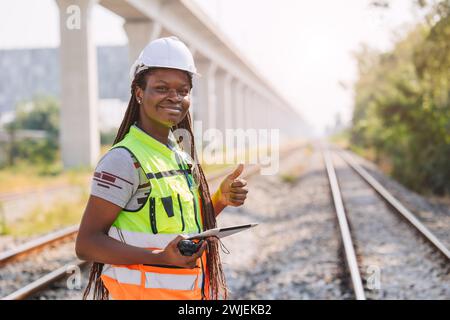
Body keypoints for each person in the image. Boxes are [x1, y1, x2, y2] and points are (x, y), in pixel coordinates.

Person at [75, 36, 249, 300]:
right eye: (162, 88)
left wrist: (219, 200)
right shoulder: (125, 159)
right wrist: (160, 258)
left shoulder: (179, 156)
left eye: (183, 90)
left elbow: (183, 233)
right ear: (138, 92)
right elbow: (87, 244)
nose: (174, 97)